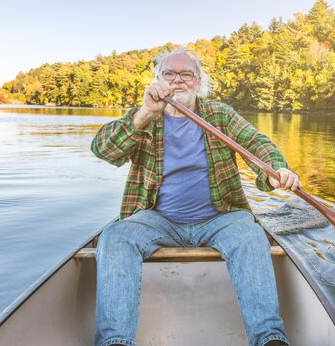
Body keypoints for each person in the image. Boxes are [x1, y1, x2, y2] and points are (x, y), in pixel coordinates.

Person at [90, 47, 300, 346]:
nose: (178, 80)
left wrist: (275, 168)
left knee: (251, 235)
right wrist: (145, 113)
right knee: (115, 237)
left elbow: (255, 143)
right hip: (158, 220)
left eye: (186, 74)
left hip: (221, 217)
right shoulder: (145, 116)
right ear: (157, 80)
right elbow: (103, 150)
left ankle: (269, 339)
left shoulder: (219, 114)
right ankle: (115, 342)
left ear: (198, 81)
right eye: (169, 74)